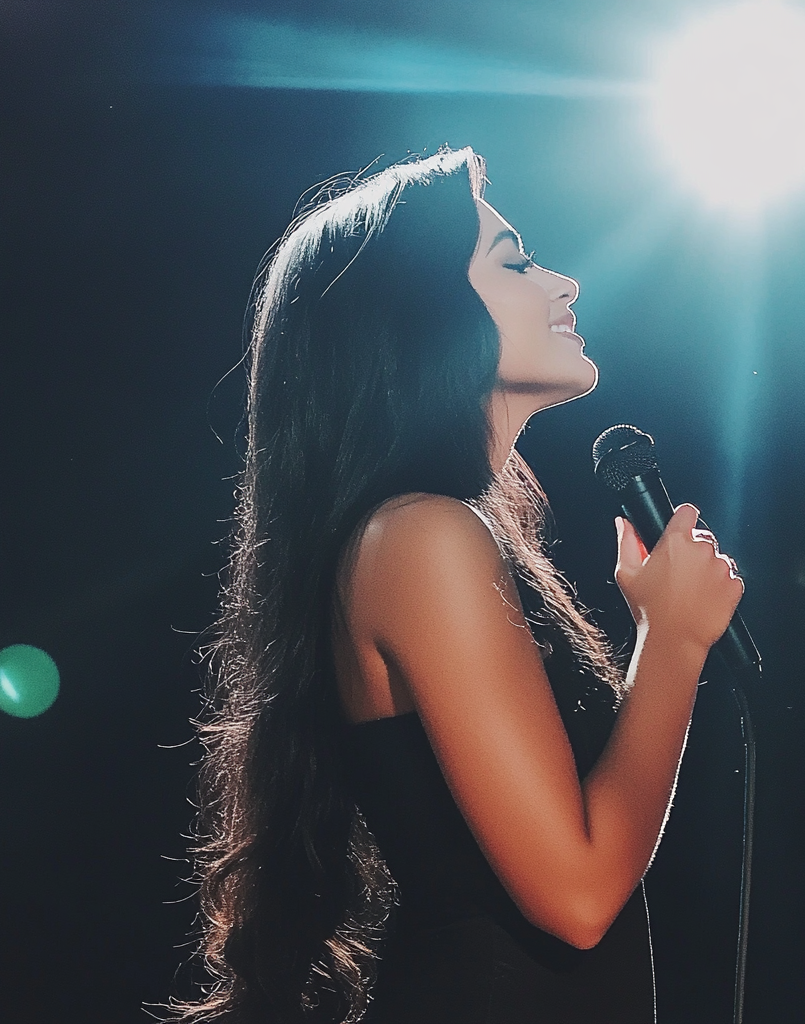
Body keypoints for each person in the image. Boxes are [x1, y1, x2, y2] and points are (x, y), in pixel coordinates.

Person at [174, 146, 743, 1023]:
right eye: (514, 261)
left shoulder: (439, 533)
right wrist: (673, 643)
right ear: (420, 312)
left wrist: (659, 639)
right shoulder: (419, 534)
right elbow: (579, 895)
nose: (565, 285)